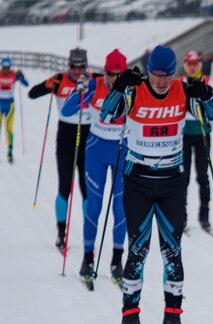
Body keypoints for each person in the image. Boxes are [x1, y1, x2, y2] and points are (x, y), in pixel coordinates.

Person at [100, 45, 213, 324]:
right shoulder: (135, 90)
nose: (162, 81)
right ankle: (130, 317)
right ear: (149, 71)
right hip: (138, 183)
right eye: (156, 75)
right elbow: (107, 113)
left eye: (167, 75)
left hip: (171, 184)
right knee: (137, 251)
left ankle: (173, 318)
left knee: (172, 252)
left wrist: (205, 95)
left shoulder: (183, 90)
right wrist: (119, 87)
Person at [62, 49, 128, 283]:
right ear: (104, 72)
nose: (114, 79)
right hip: (96, 152)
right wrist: (78, 90)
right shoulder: (94, 85)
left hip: (122, 152)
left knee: (121, 208)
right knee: (93, 207)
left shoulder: (132, 90)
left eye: (119, 74)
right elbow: (66, 110)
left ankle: (117, 261)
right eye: (110, 73)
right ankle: (87, 258)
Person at [29, 48, 97, 251]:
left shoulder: (95, 80)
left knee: (87, 189)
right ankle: (61, 231)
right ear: (68, 65)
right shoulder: (59, 80)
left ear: (86, 66)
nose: (77, 71)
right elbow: (32, 94)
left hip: (89, 139)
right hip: (66, 138)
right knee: (64, 186)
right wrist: (47, 85)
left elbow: (116, 82)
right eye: (74, 66)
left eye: (81, 66)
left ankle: (88, 234)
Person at [181, 50, 213, 231]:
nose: (192, 67)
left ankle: (204, 217)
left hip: (202, 134)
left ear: (200, 64)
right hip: (183, 135)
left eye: (196, 64)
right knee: (183, 177)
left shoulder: (210, 83)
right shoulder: (179, 84)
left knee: (203, 176)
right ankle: (181, 217)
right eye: (189, 64)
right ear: (185, 65)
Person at [0, 57, 29, 164]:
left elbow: (26, 84)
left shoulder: (13, 74)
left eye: (7, 67)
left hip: (10, 105)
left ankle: (10, 152)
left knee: (9, 128)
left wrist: (21, 76)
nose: (5, 69)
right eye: (4, 67)